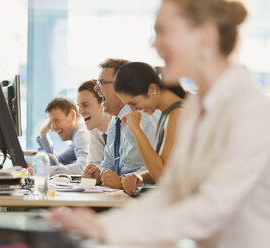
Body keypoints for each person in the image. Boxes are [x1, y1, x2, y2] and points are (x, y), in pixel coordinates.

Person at [49, 0, 270, 247]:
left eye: (163, 31)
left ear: (206, 35)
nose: (154, 43)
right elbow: (171, 192)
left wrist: (107, 231)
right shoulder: (197, 110)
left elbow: (211, 209)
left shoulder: (253, 112)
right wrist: (101, 227)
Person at [82, 58, 160, 189]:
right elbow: (108, 164)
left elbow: (157, 170)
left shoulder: (146, 116)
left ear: (121, 85)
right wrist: (99, 175)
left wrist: (121, 182)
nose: (96, 88)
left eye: (101, 82)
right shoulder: (115, 123)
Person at [114, 62, 186, 195]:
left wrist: (137, 130)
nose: (133, 110)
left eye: (134, 103)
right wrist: (141, 177)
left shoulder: (178, 114)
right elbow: (167, 168)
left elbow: (163, 176)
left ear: (152, 89)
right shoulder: (168, 114)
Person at [36, 97, 89, 175]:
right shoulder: (76, 136)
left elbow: (84, 168)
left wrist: (41, 171)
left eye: (56, 120)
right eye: (50, 122)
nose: (53, 128)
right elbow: (56, 162)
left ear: (72, 115)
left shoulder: (82, 134)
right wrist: (43, 134)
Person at [77, 79, 112, 167]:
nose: (80, 111)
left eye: (85, 105)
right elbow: (95, 163)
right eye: (78, 106)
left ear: (103, 102)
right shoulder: (95, 130)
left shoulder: (122, 128)